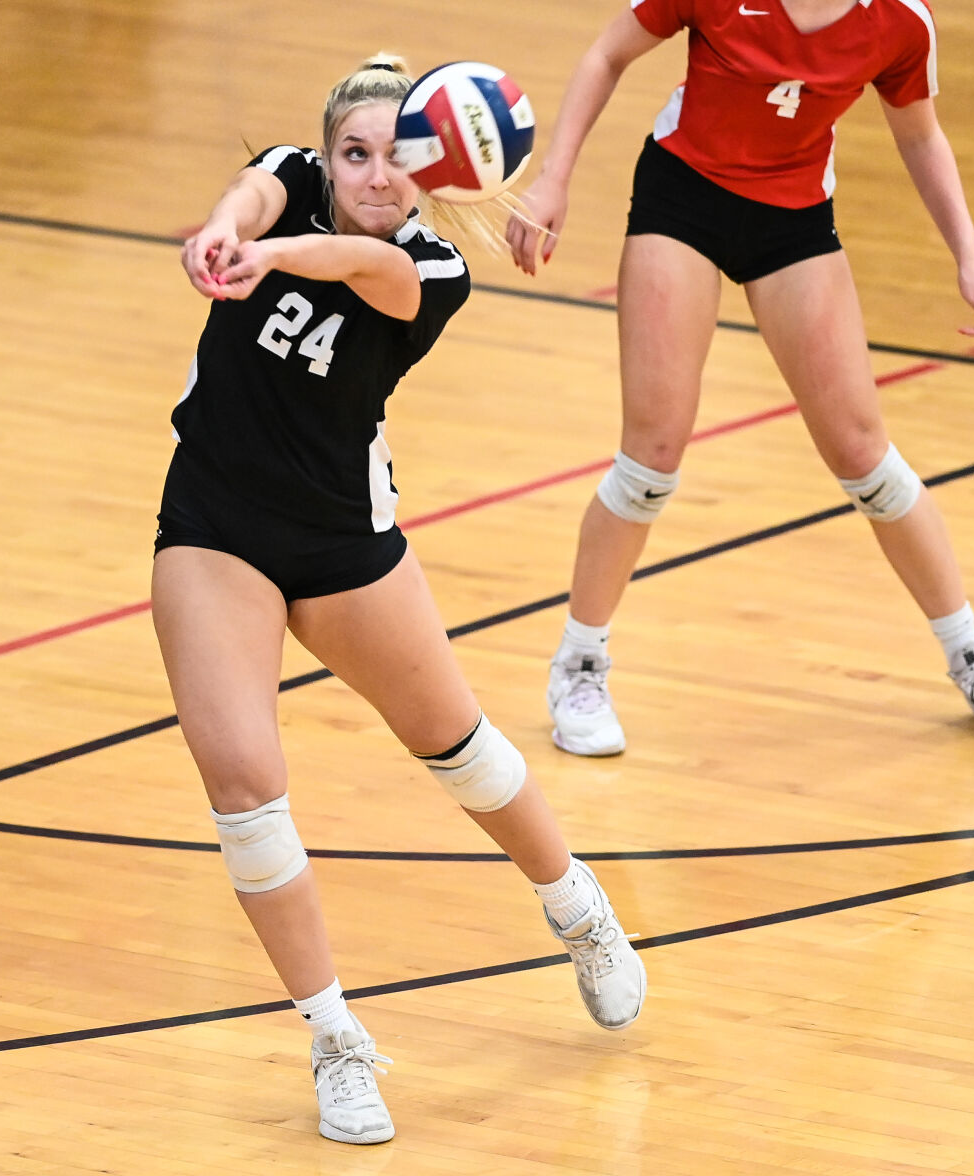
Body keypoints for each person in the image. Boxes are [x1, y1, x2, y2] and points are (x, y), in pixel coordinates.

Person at [153, 55, 647, 1147]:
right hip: (214, 528)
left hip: (344, 542)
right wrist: (220, 228)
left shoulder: (426, 267)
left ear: (434, 174)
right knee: (243, 788)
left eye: (399, 156)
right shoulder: (283, 179)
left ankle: (577, 909)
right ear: (325, 156)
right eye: (355, 154)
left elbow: (343, 264)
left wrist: (266, 253)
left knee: (460, 750)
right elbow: (253, 193)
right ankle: (332, 1038)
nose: (376, 174)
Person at [505, 0, 974, 756]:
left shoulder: (900, 22)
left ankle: (973, 661)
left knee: (866, 459)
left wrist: (968, 256)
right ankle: (579, 665)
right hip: (682, 202)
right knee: (650, 459)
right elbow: (606, 54)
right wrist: (552, 181)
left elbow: (920, 134)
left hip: (792, 221)